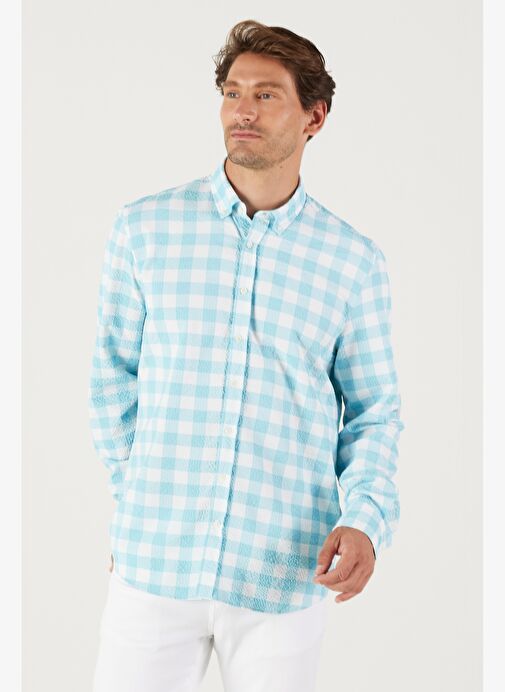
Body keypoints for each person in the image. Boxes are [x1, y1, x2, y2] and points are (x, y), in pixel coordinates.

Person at [89, 18, 405, 692]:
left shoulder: (352, 263)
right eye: (233, 93)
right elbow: (112, 379)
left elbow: (373, 412)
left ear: (314, 117)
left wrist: (364, 520)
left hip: (282, 574)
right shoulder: (145, 228)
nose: (242, 110)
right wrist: (138, 497)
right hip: (154, 567)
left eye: (266, 95)